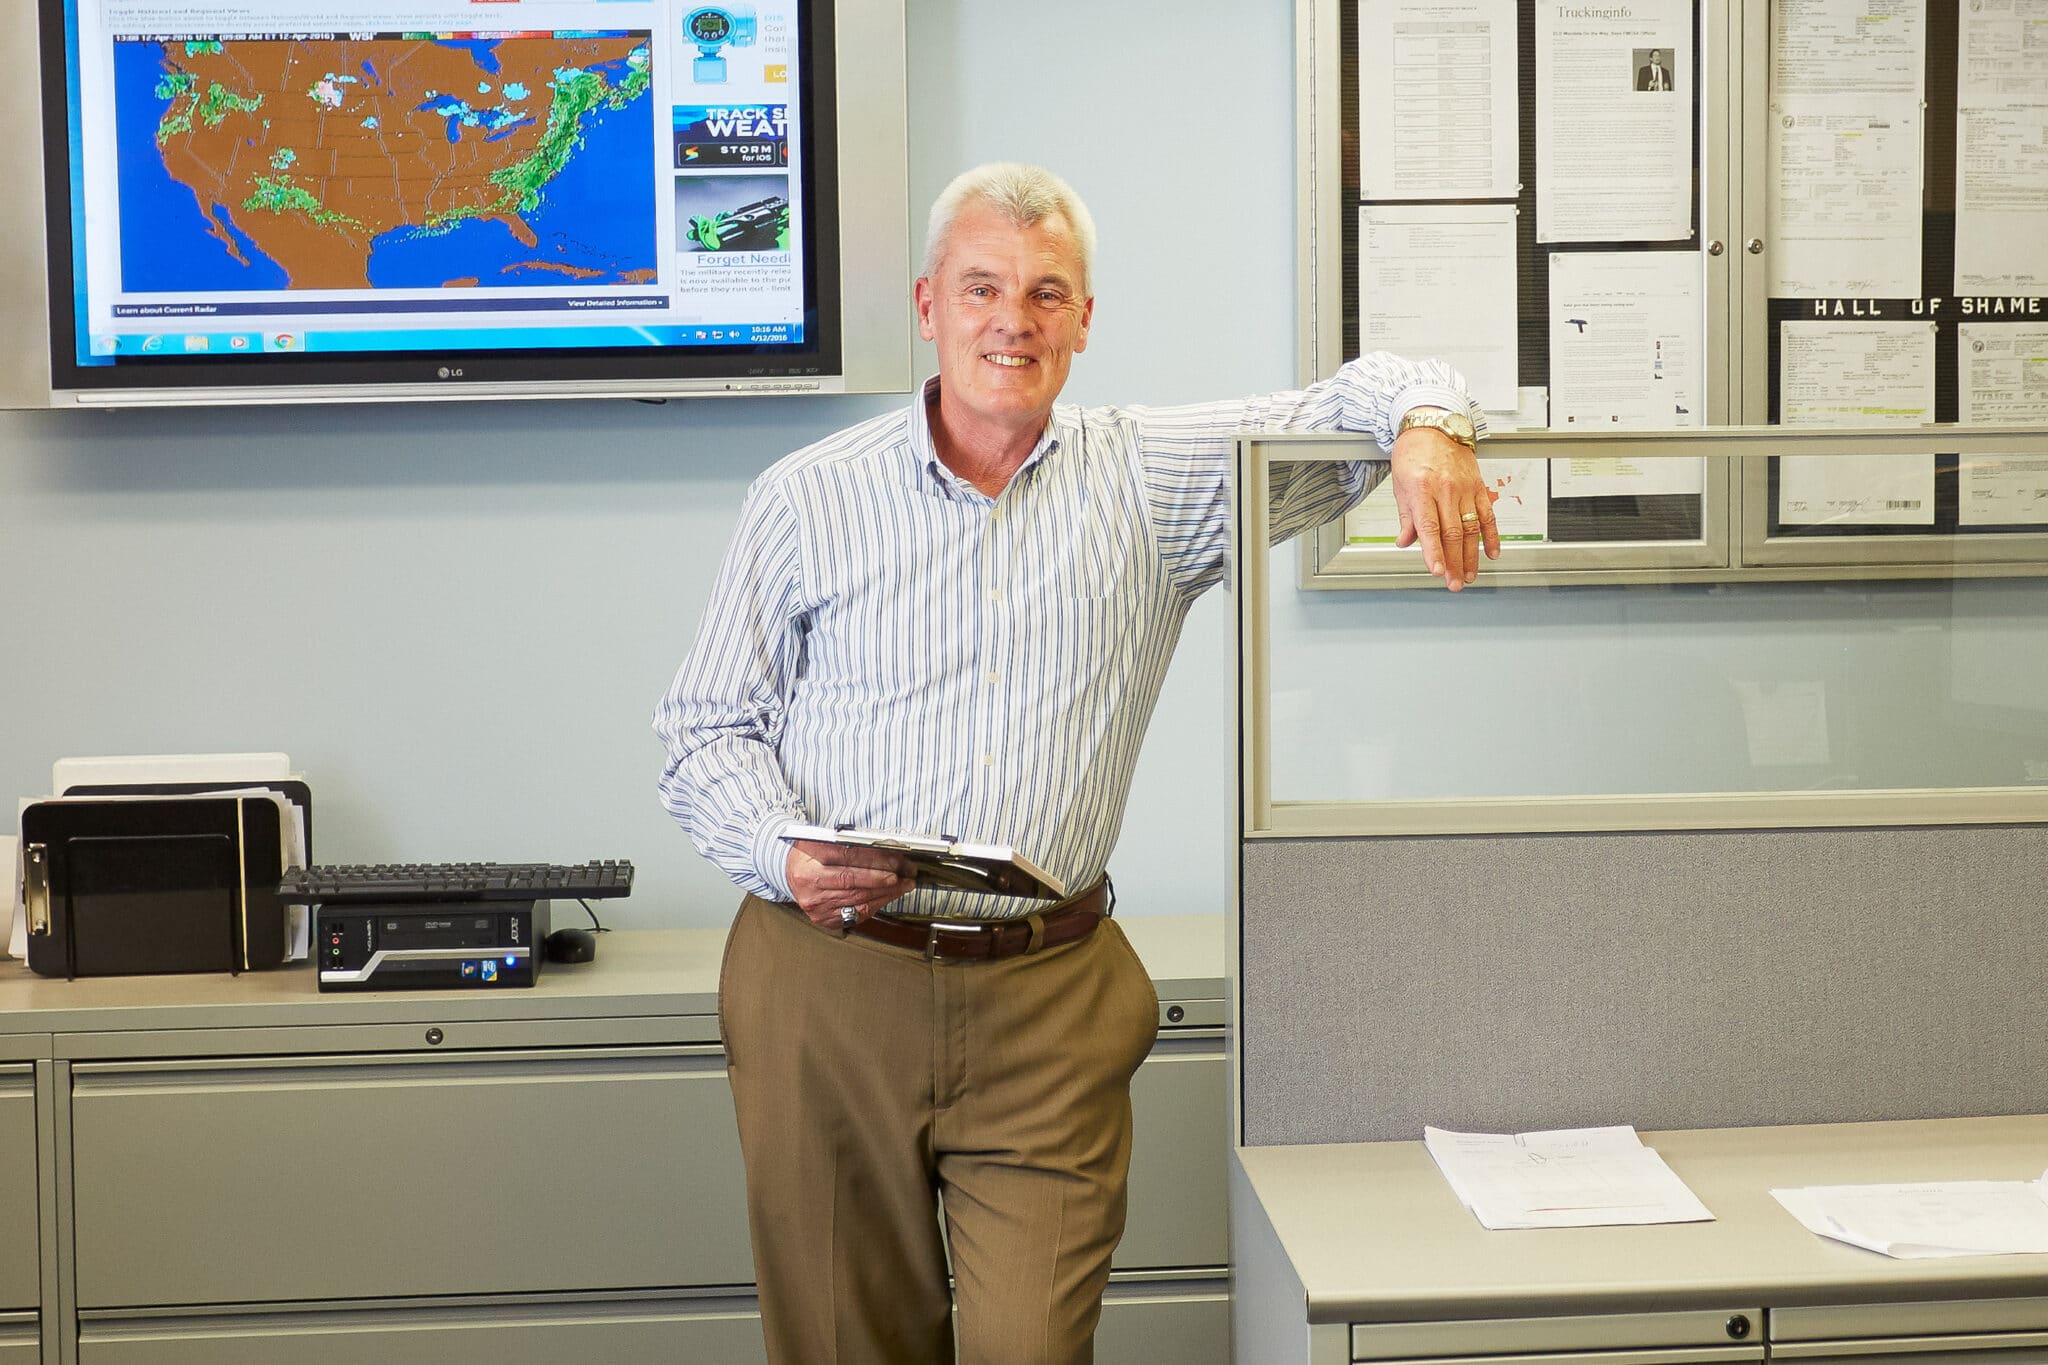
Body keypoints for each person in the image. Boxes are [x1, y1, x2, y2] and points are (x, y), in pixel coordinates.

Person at [653, 162, 1495, 1365]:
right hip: (825, 979)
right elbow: (703, 728)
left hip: (1044, 998)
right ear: (927, 304)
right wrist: (781, 851)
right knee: (845, 1345)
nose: (1014, 320)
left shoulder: (1150, 478)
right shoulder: (805, 497)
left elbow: (1370, 390)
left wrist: (1429, 431)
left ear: (1085, 321)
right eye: (982, 288)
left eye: (1048, 294)